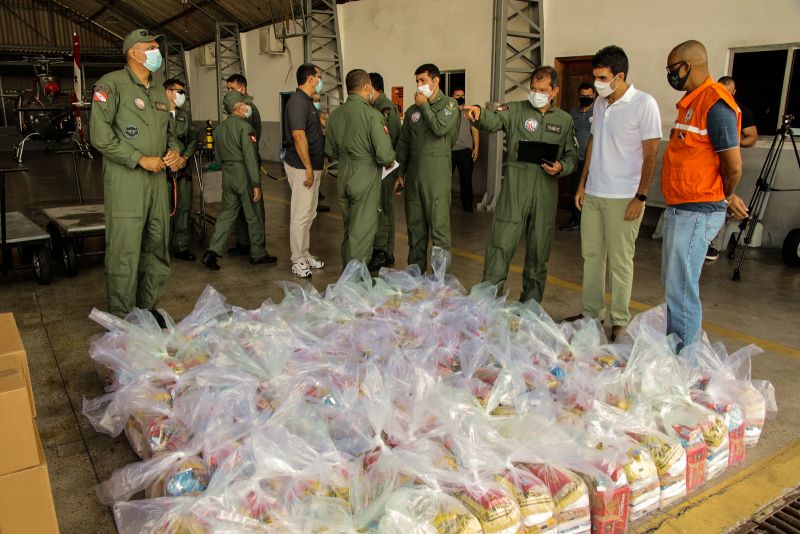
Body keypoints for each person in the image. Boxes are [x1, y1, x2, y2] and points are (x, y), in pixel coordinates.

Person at [565, 46, 662, 341]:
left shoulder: (644, 104)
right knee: (592, 256)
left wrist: (641, 196)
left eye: (603, 78)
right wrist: (583, 183)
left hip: (624, 197)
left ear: (620, 76)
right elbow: (593, 142)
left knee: (620, 261)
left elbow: (652, 154)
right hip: (595, 192)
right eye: (595, 77)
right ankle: (592, 313)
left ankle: (619, 320)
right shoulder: (600, 103)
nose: (597, 84)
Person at [90, 28, 182, 325]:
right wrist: (138, 159)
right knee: (125, 249)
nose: (157, 51)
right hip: (126, 181)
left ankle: (146, 308)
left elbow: (171, 133)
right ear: (133, 52)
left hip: (157, 182)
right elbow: (99, 136)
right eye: (151, 46)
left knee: (157, 244)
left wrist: (174, 151)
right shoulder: (111, 85)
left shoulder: (158, 91)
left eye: (157, 46)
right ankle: (120, 316)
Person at [463, 66, 578, 303]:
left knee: (539, 250)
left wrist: (561, 167)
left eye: (542, 90)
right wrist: (478, 114)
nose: (536, 93)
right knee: (500, 244)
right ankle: (487, 302)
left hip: (546, 190)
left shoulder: (564, 120)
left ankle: (531, 305)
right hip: (516, 185)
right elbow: (494, 119)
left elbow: (572, 156)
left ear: (554, 91)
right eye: (533, 89)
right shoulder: (515, 110)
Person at [661, 40, 748, 346]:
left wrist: (726, 195)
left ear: (690, 65)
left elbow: (733, 166)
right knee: (674, 285)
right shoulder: (691, 103)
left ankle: (684, 366)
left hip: (698, 210)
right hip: (681, 207)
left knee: (682, 289)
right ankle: (676, 353)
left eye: (673, 69)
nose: (670, 75)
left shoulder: (715, 104)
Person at [325, 69, 395, 266]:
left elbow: (330, 149)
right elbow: (385, 155)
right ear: (366, 86)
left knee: (350, 229)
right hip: (365, 176)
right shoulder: (372, 116)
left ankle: (346, 275)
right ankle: (353, 285)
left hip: (344, 175)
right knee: (362, 233)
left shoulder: (335, 115)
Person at [395, 63, 461, 272]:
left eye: (422, 80)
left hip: (437, 175)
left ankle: (440, 278)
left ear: (436, 81)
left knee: (439, 228)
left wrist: (424, 105)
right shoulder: (412, 111)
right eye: (416, 81)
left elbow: (440, 128)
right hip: (414, 175)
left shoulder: (449, 105)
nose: (419, 85)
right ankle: (415, 273)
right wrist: (399, 173)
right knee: (415, 227)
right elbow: (403, 144)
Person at [201, 91, 270, 270]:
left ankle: (212, 252)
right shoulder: (245, 128)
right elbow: (250, 157)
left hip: (228, 174)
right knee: (253, 214)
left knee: (226, 215)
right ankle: (258, 254)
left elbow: (216, 157)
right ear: (238, 107)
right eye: (245, 104)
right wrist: (255, 183)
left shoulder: (219, 129)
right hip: (243, 173)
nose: (248, 107)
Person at [705, 75, 759, 261]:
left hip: (728, 165)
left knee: (723, 201)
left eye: (728, 92)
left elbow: (752, 136)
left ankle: (712, 243)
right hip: (708, 167)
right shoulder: (711, 107)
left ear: (734, 92)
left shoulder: (739, 110)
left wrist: (732, 143)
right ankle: (705, 243)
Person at [225, 74, 278, 258]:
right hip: (237, 167)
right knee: (239, 207)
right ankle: (243, 242)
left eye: (232, 88)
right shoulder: (233, 110)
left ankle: (258, 248)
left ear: (242, 89)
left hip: (249, 165)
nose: (229, 92)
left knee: (255, 208)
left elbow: (254, 138)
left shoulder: (249, 111)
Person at [283, 63, 326, 278]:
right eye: (319, 77)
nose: (320, 81)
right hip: (302, 167)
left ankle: (304, 252)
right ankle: (297, 259)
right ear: (310, 78)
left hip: (312, 167)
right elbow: (299, 136)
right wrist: (308, 167)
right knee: (300, 215)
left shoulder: (307, 102)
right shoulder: (297, 102)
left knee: (310, 213)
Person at [368, 72, 402, 271]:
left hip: (386, 167)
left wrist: (396, 171)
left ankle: (382, 251)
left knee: (382, 208)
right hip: (383, 166)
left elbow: (393, 141)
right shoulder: (376, 107)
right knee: (385, 209)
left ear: (372, 87)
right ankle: (387, 251)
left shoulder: (385, 109)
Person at [163, 78, 199, 262]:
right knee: (163, 211)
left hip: (183, 169)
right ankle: (161, 250)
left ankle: (181, 247)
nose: (182, 96)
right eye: (180, 92)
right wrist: (172, 159)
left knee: (184, 208)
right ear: (168, 92)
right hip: (163, 169)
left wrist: (184, 158)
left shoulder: (184, 115)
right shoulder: (157, 113)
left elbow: (193, 138)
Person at [560, 82, 596, 231]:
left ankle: (590, 222)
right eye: (582, 96)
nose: (585, 98)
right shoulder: (573, 113)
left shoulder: (598, 112)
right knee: (575, 189)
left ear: (594, 95)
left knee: (590, 192)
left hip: (593, 161)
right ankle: (576, 219)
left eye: (588, 96)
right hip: (576, 158)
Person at [451, 87, 480, 212]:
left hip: (465, 150)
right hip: (449, 150)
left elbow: (475, 131)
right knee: (445, 179)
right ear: (452, 97)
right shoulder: (448, 112)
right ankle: (442, 205)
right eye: (457, 95)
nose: (460, 97)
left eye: (462, 95)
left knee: (466, 179)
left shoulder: (469, 112)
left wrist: (476, 149)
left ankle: (468, 206)